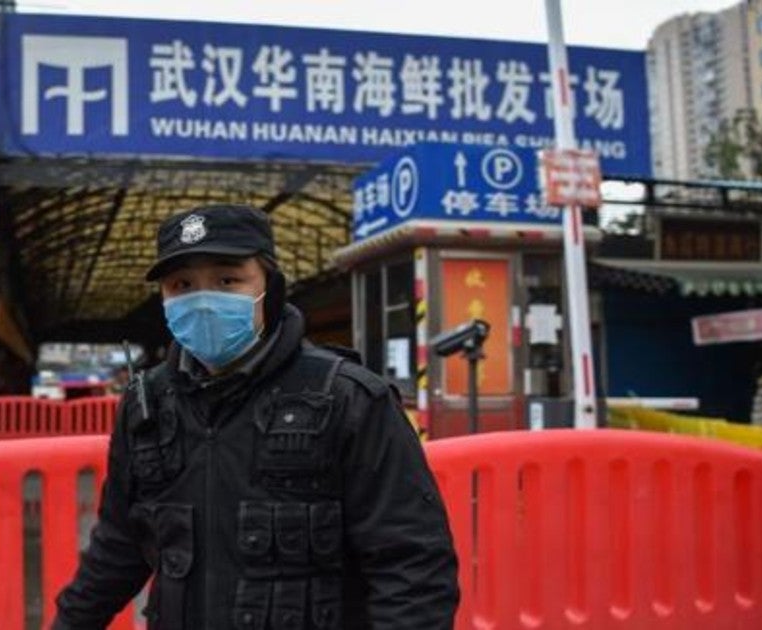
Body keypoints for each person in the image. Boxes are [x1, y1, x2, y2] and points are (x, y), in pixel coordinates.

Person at [52, 204, 459, 629]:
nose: (203, 301)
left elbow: (413, 569)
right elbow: (118, 546)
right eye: (182, 285)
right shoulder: (146, 406)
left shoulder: (347, 399)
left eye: (227, 280)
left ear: (272, 286)